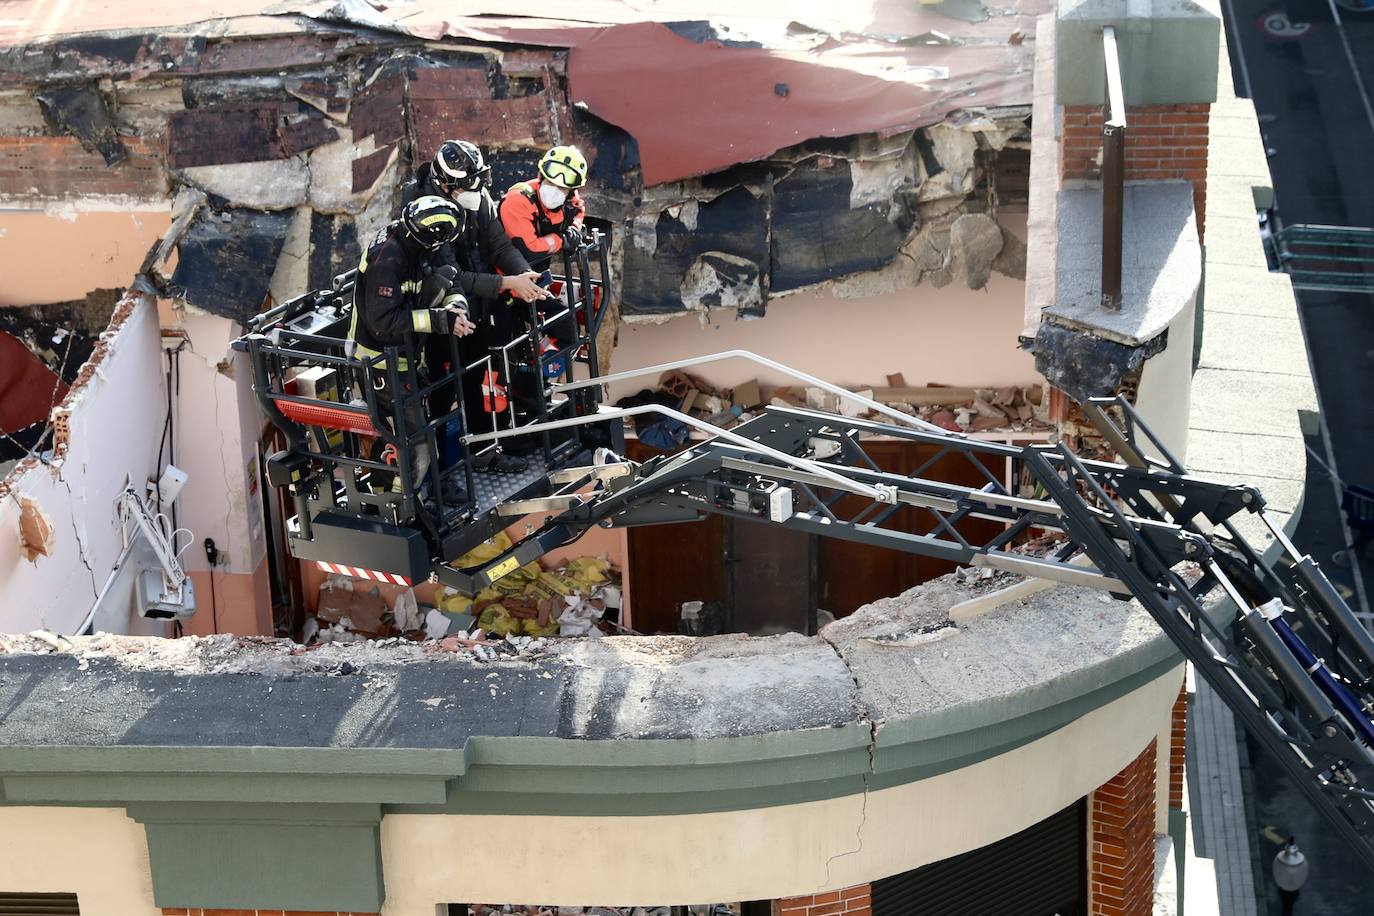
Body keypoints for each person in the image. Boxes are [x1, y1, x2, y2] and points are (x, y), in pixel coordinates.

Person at [404, 139, 552, 473]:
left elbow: (498, 244)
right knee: (441, 394)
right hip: (440, 319)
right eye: (468, 184)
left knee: (474, 378)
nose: (478, 189)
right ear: (445, 183)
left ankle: (484, 451)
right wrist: (505, 284)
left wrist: (521, 271)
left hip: (475, 309)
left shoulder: (476, 194)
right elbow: (450, 274)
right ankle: (438, 471)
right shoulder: (424, 211)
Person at [348, 195, 475, 504]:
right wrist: (440, 320)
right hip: (378, 363)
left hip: (404, 358)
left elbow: (450, 279)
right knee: (408, 439)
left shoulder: (417, 243)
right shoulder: (387, 259)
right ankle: (400, 506)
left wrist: (456, 310)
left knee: (415, 434)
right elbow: (383, 320)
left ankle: (416, 495)